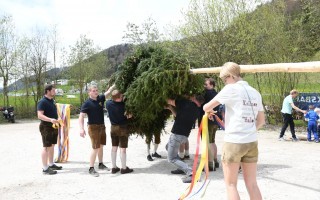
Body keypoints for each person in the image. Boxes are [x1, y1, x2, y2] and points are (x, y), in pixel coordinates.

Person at [203, 62, 265, 200]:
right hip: (251, 142)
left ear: (230, 76)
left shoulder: (230, 89)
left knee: (231, 184)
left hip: (234, 141)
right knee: (252, 184)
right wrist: (249, 130)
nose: (225, 83)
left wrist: (209, 110)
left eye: (225, 79)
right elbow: (261, 121)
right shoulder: (255, 92)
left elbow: (206, 107)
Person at [166, 95, 204, 183]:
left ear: (194, 98)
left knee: (171, 158)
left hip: (176, 135)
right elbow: (178, 115)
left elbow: (169, 100)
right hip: (184, 137)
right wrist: (170, 108)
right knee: (167, 147)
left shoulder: (185, 103)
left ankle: (191, 173)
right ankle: (181, 167)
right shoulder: (197, 111)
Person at [79, 84, 115, 177]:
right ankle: (91, 168)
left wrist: (115, 84)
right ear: (89, 92)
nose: (96, 92)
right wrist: (81, 129)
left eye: (96, 90)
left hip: (102, 126)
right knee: (95, 148)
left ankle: (101, 164)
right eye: (93, 91)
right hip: (93, 127)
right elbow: (81, 117)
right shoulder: (87, 103)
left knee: (101, 146)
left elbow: (109, 91)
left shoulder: (100, 98)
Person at [106, 90, 134, 174]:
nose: (122, 97)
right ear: (118, 98)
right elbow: (129, 116)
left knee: (114, 147)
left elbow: (111, 98)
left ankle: (114, 167)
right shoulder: (124, 105)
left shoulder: (108, 104)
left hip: (113, 128)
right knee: (123, 149)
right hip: (122, 128)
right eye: (121, 97)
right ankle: (124, 168)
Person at [37, 84, 62, 175]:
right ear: (48, 91)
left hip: (53, 126)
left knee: (52, 146)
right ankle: (45, 168)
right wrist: (50, 120)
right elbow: (39, 115)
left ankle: (51, 164)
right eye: (53, 90)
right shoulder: (42, 102)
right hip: (46, 127)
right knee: (46, 147)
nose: (55, 92)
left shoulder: (52, 101)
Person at [198, 78, 220, 171]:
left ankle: (210, 164)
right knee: (212, 141)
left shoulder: (207, 94)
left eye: (206, 85)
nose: (204, 86)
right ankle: (215, 161)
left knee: (208, 142)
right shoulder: (216, 94)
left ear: (211, 85)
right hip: (215, 121)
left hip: (208, 121)